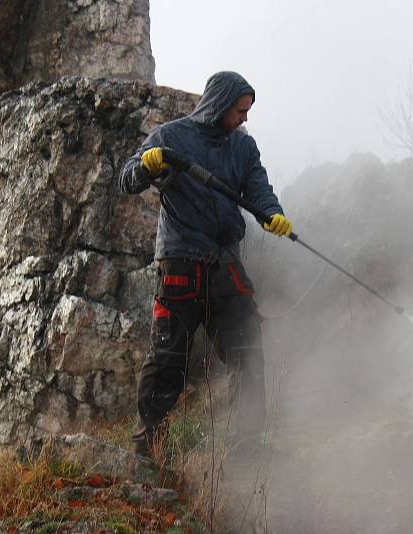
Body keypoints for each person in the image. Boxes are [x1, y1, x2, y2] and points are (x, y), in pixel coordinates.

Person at [119, 71, 292, 458]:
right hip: (180, 263)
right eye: (239, 110)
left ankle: (246, 450)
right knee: (168, 360)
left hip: (225, 264)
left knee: (247, 350)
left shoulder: (243, 148)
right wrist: (147, 166)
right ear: (219, 105)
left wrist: (272, 213)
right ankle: (148, 451)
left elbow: (258, 188)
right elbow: (127, 179)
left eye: (247, 111)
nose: (244, 118)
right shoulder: (169, 138)